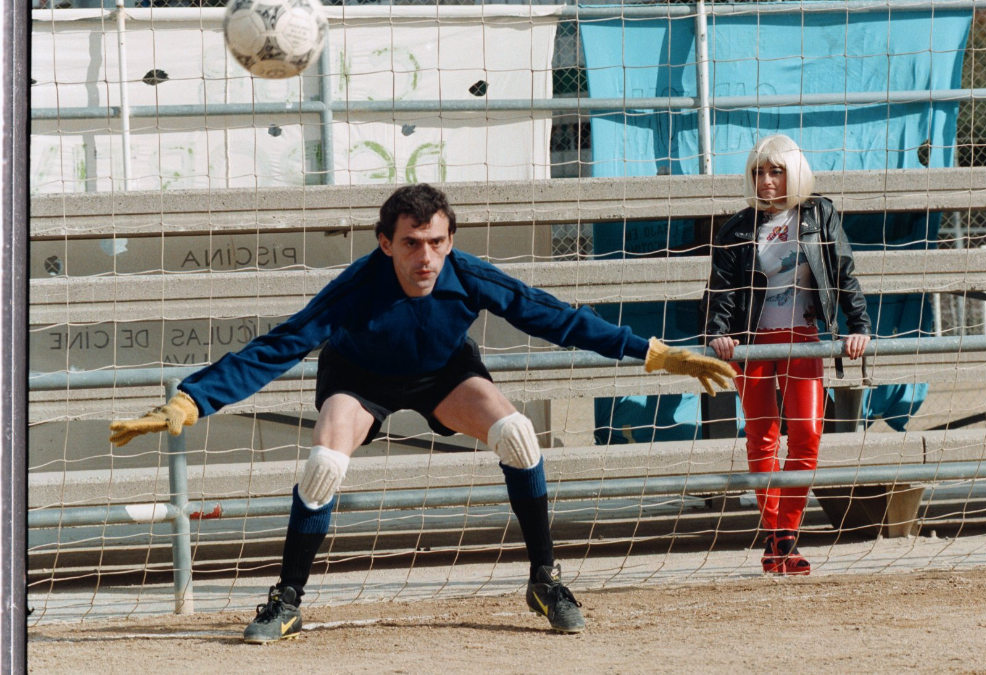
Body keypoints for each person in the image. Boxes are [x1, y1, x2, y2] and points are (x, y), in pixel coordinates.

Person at [109, 184, 735, 642]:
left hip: (442, 376)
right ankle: (287, 599)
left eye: (436, 242)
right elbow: (280, 345)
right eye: (411, 244)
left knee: (518, 433)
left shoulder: (469, 276)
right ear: (386, 243)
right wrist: (194, 397)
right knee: (324, 462)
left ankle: (545, 580)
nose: (425, 257)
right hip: (360, 381)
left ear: (450, 240)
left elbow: (555, 317)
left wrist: (652, 353)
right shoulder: (357, 287)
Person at [704, 134, 871, 576]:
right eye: (758, 172)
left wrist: (859, 327)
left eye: (776, 171)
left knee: (807, 435)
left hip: (803, 337)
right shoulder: (736, 228)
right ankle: (779, 539)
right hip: (752, 341)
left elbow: (843, 271)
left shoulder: (819, 214)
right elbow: (721, 290)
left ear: (794, 173)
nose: (766, 180)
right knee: (761, 436)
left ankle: (785, 535)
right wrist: (719, 334)